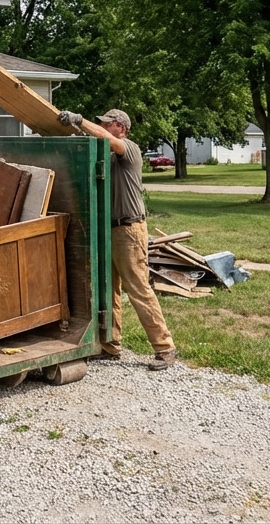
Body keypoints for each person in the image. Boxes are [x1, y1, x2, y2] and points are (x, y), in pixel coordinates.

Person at [58, 108, 177, 371]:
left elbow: (100, 136)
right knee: (108, 289)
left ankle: (164, 347)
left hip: (129, 230)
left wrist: (80, 119)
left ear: (121, 128)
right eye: (102, 124)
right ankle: (111, 346)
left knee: (138, 288)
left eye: (107, 125)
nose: (103, 128)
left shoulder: (129, 150)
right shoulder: (106, 156)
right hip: (107, 229)